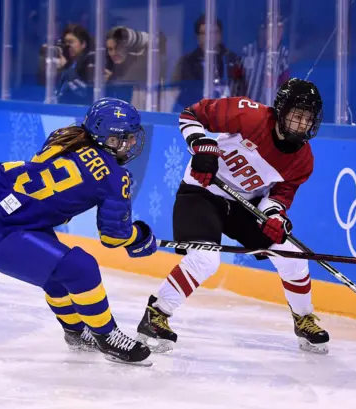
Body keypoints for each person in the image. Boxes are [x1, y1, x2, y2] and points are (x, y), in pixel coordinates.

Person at [136, 78, 330, 355]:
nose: (302, 124)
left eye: (307, 119)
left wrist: (275, 216)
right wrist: (201, 145)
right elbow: (191, 114)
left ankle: (304, 319)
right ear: (281, 110)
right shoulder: (248, 114)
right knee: (205, 259)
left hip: (244, 205)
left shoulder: (303, 160)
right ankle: (156, 314)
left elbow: (279, 196)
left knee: (292, 255)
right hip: (202, 190)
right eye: (297, 116)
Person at [0, 98, 157, 366]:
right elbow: (113, 236)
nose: (130, 144)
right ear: (109, 139)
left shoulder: (65, 137)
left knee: (57, 274)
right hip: (6, 235)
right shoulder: (116, 177)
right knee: (80, 267)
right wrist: (140, 237)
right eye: (125, 138)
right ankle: (107, 336)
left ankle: (76, 333)